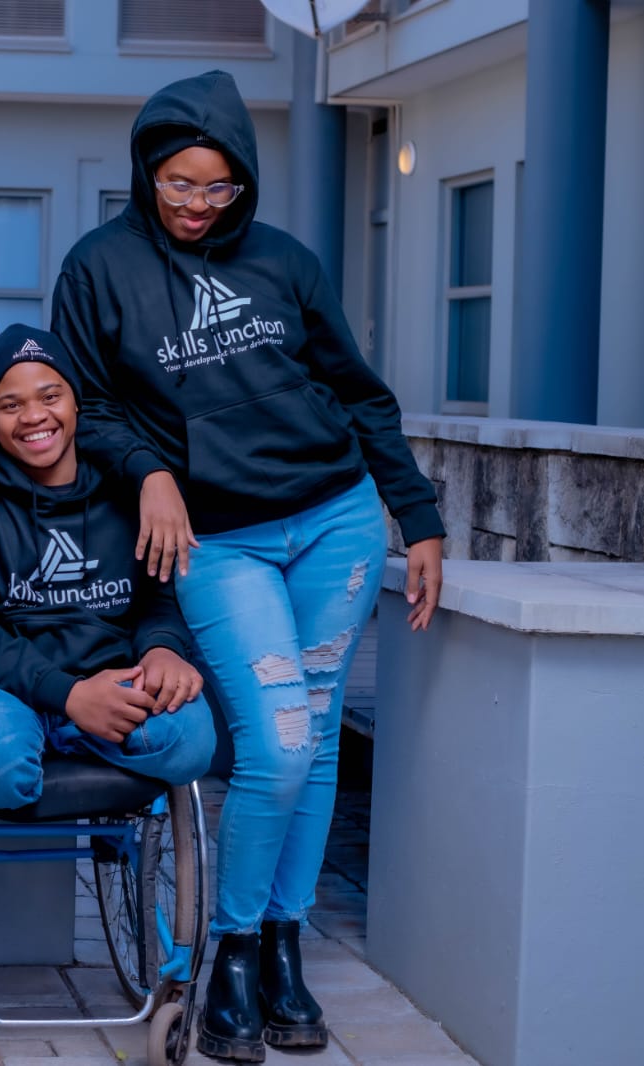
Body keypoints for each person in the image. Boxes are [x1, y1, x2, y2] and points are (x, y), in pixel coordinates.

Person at [52, 70, 445, 1062]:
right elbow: (85, 403)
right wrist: (149, 471)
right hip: (215, 539)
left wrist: (418, 516)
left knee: (314, 736)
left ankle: (281, 941)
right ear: (147, 171)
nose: (196, 205)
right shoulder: (99, 266)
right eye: (178, 184)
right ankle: (227, 947)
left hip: (334, 519)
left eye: (217, 187)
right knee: (276, 742)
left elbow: (359, 392)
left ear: (244, 182)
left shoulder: (283, 261)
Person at [0, 323, 216, 814]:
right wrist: (69, 695)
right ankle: (52, 735)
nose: (34, 416)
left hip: (110, 676)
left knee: (192, 742)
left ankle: (78, 735)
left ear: (76, 402)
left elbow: (157, 601)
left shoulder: (127, 494)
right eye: (10, 405)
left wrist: (163, 649)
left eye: (50, 396)